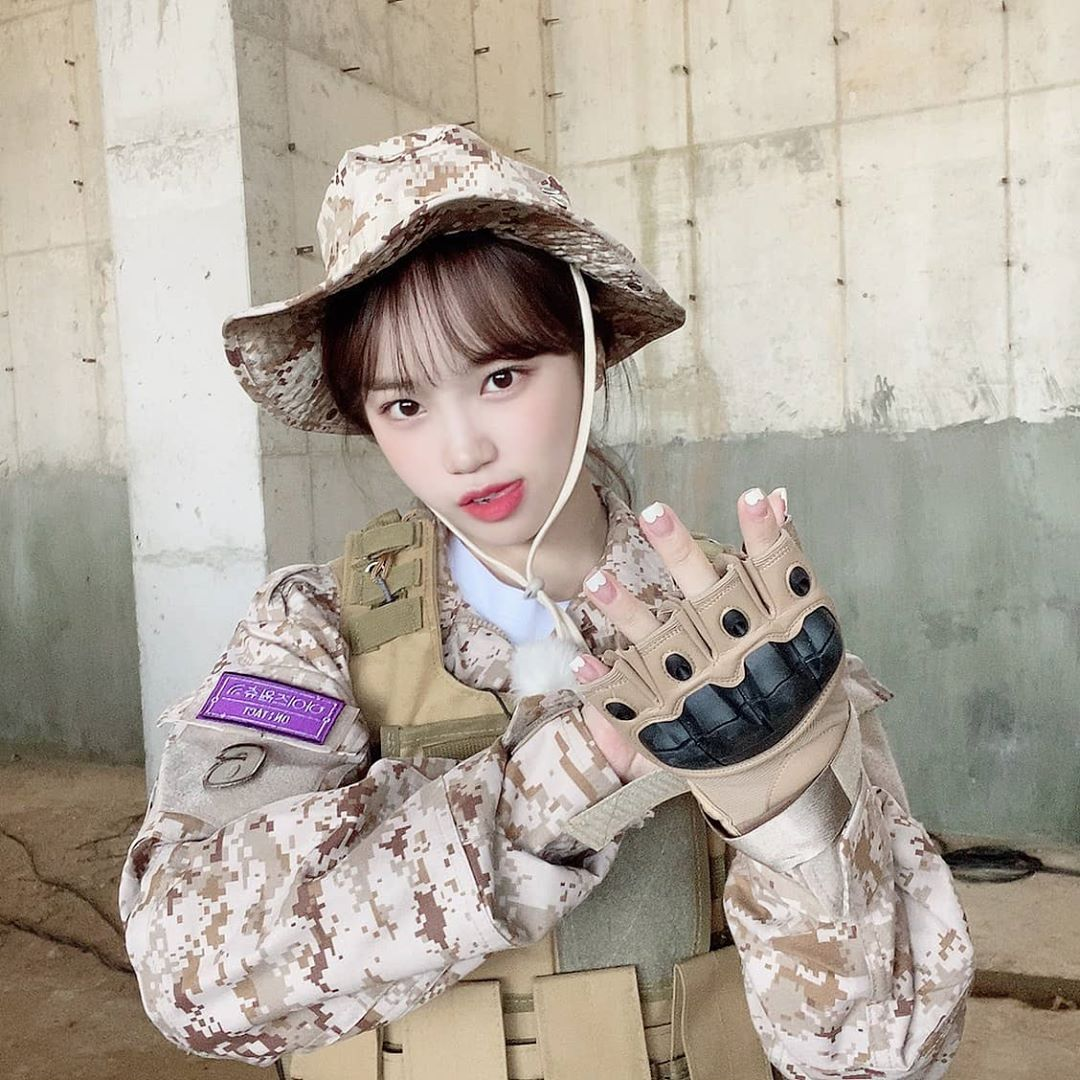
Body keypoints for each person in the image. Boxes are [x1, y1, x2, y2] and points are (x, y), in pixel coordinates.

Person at [120, 125, 974, 1080]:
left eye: (501, 376)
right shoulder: (315, 628)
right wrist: (568, 778)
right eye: (404, 405)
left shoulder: (742, 631)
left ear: (590, 352)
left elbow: (885, 1056)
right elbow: (187, 975)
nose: (463, 450)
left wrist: (788, 812)